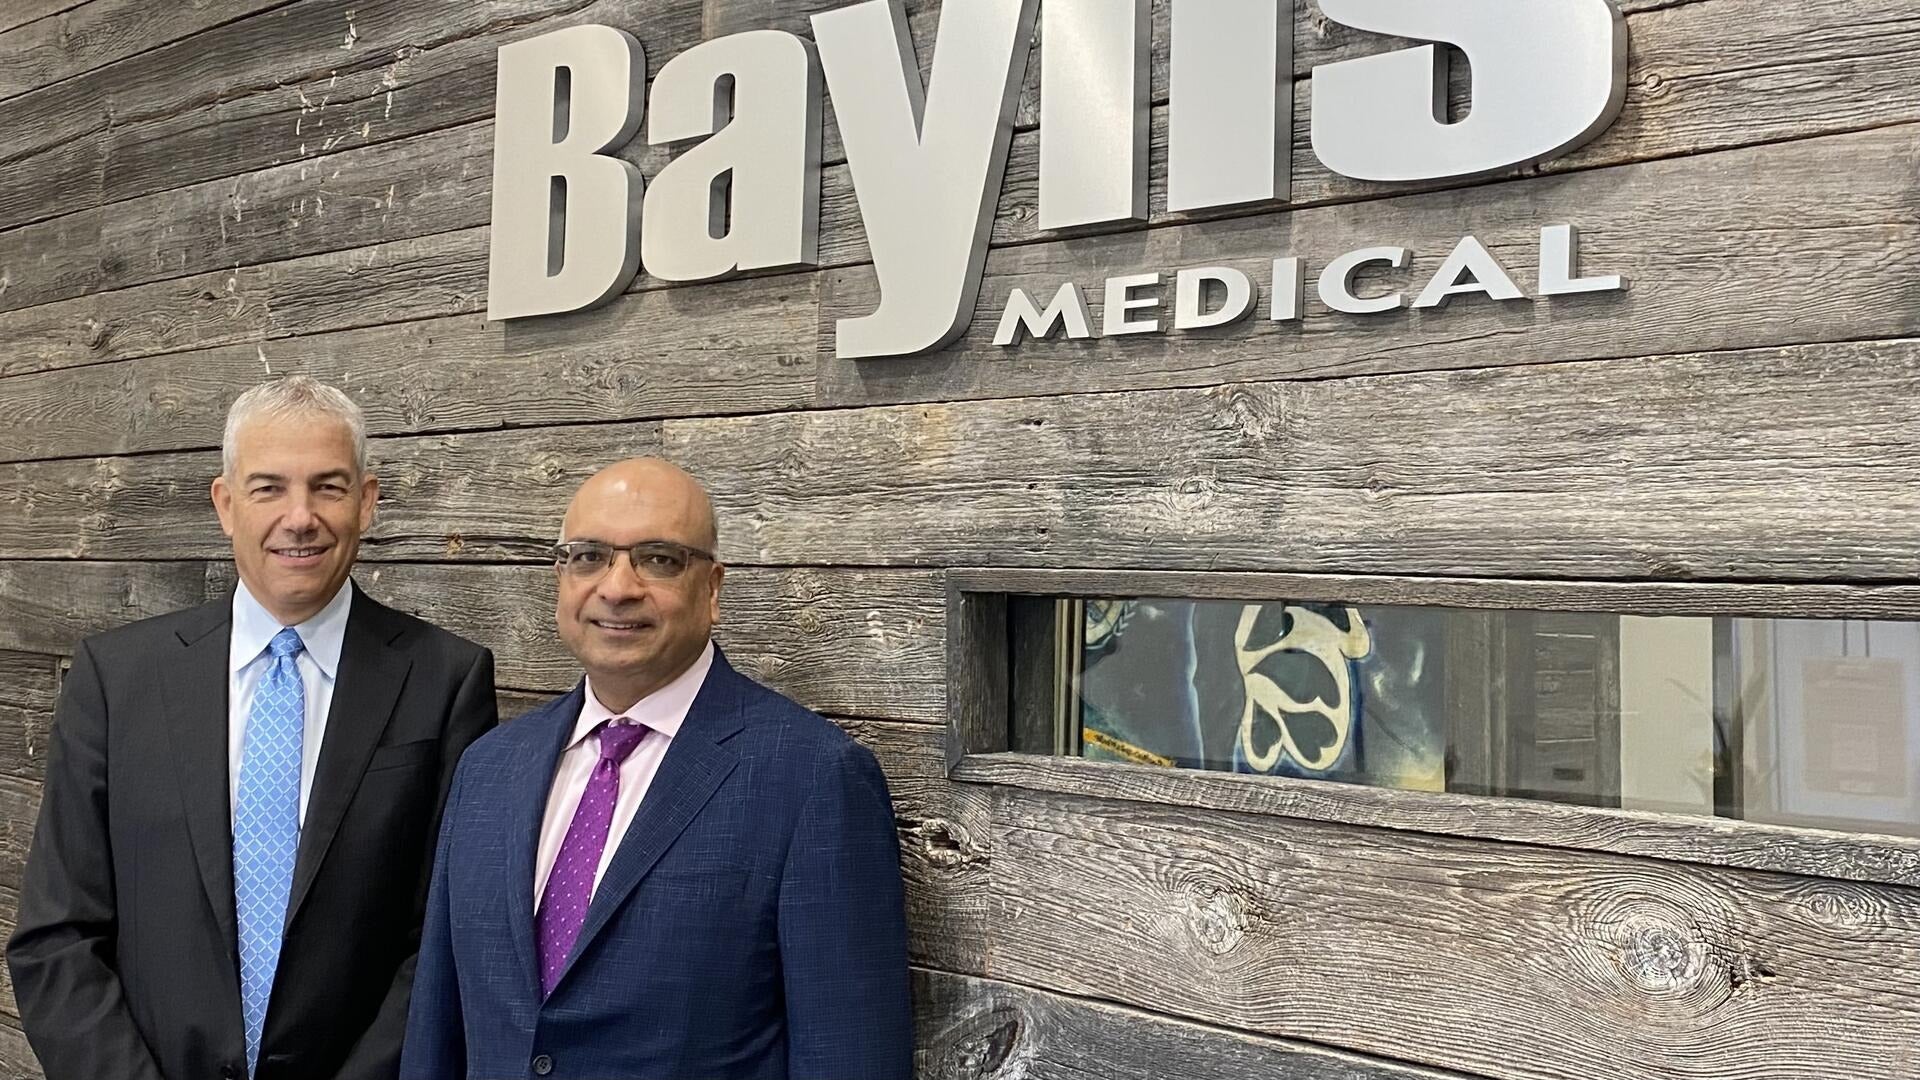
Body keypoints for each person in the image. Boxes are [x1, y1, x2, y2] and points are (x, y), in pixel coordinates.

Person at [8, 376, 498, 1080]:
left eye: (328, 488)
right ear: (226, 503)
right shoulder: (117, 679)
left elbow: (445, 939)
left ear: (367, 501)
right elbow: (57, 934)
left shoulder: (445, 681)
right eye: (269, 488)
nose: (299, 518)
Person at [401, 458, 912, 1080]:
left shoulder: (812, 779)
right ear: (559, 578)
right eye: (588, 557)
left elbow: (850, 1056)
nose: (617, 588)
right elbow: (437, 1031)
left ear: (713, 588)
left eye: (659, 559)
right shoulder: (488, 769)